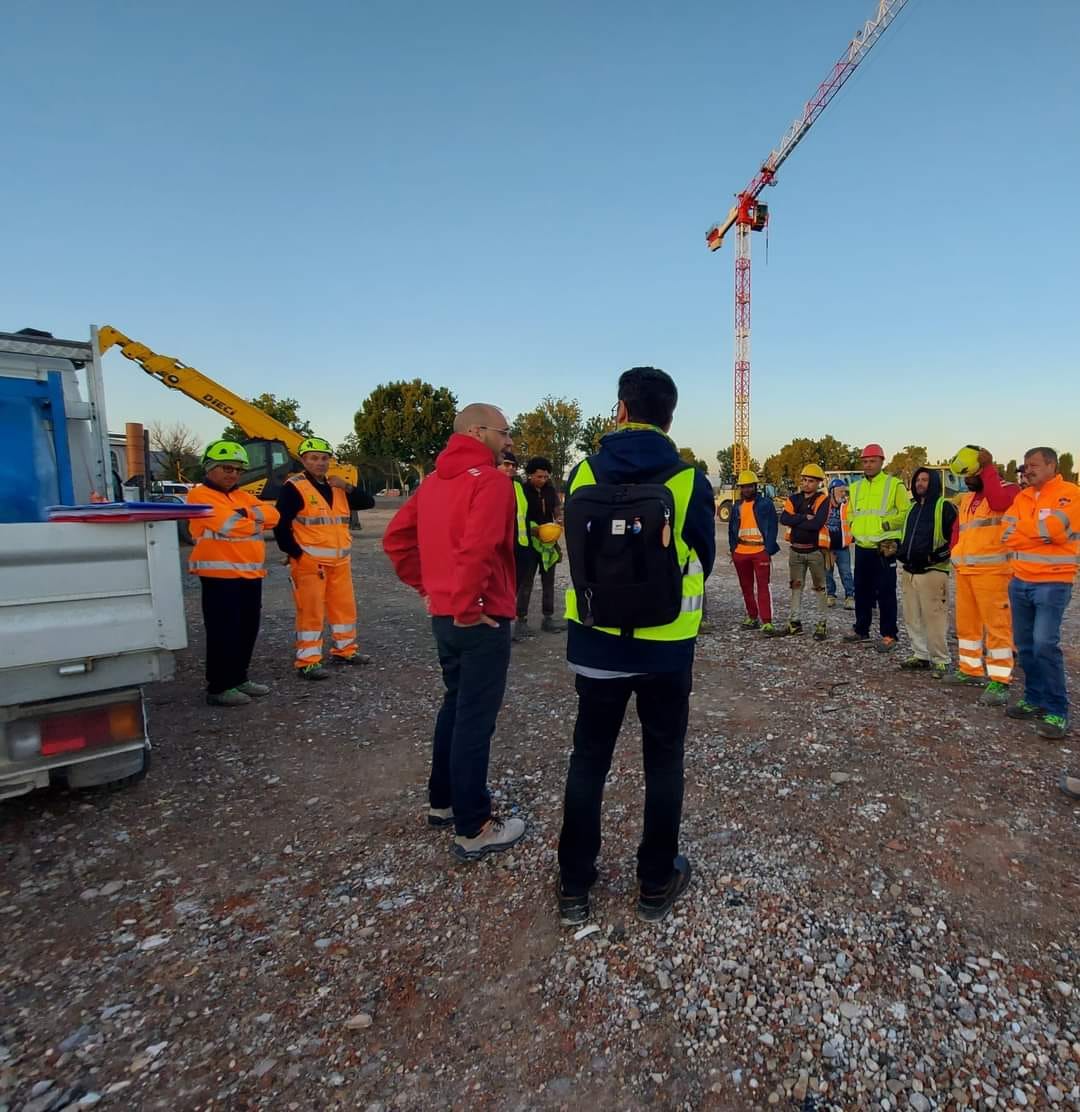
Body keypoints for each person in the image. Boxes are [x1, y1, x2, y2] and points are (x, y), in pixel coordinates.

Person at [556, 367, 715, 926]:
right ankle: (654, 882)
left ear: (620, 410)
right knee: (663, 762)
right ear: (670, 418)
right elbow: (703, 562)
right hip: (666, 648)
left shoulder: (583, 473)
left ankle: (574, 884)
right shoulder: (691, 479)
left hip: (597, 644)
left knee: (589, 761)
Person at [382, 403, 526, 860]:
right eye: (504, 433)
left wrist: (431, 589)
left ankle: (442, 802)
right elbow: (479, 546)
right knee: (474, 720)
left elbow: (397, 540)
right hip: (478, 618)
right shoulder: (492, 482)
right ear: (477, 431)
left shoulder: (431, 483)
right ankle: (474, 826)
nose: (509, 442)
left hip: (446, 615)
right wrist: (467, 605)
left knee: (454, 704)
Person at [186, 441, 280, 707]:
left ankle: (239, 678)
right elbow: (230, 526)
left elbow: (274, 515)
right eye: (227, 468)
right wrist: (253, 520)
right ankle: (218, 686)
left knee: (246, 629)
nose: (233, 474)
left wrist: (247, 514)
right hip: (219, 576)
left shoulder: (241, 496)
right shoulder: (199, 496)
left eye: (238, 470)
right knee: (222, 632)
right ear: (210, 468)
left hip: (249, 574)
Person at [274, 437, 375, 680]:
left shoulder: (336, 486)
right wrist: (296, 554)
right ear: (304, 460)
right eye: (314, 458)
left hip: (340, 561)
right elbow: (280, 525)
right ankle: (308, 661)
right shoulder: (294, 487)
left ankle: (345, 651)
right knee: (311, 612)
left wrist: (348, 486)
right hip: (310, 562)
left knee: (344, 609)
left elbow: (368, 502)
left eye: (324, 458)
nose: (320, 463)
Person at [1001, 447, 1080, 739]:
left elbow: (1058, 531)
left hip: (1053, 583)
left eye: (1033, 465)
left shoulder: (1070, 494)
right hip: (1020, 581)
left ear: (1051, 464)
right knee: (1025, 645)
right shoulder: (1022, 497)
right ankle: (1033, 698)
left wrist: (1030, 532)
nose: (1027, 470)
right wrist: (1040, 532)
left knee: (1045, 643)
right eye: (1025, 465)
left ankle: (1057, 711)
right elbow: (1006, 534)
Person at [941, 446, 1019, 705]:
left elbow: (998, 503)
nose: (966, 481)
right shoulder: (968, 498)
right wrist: (954, 552)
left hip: (994, 572)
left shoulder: (1006, 490)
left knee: (998, 627)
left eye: (969, 476)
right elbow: (958, 529)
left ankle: (1000, 680)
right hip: (966, 570)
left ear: (982, 472)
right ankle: (970, 669)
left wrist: (987, 469)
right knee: (967, 624)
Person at [844, 443, 911, 651]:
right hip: (863, 546)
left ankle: (889, 634)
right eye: (865, 461)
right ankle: (861, 629)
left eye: (872, 461)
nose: (868, 465)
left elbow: (905, 512)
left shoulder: (894, 485)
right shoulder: (855, 488)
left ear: (882, 461)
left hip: (885, 546)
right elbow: (850, 513)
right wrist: (854, 527)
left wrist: (887, 525)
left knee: (886, 592)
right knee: (862, 591)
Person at [896, 467, 958, 678]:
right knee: (912, 616)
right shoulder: (912, 509)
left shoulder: (944, 507)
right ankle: (920, 654)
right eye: (917, 480)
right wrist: (898, 551)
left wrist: (937, 557)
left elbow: (955, 540)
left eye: (924, 480)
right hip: (909, 571)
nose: (920, 484)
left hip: (933, 571)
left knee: (935, 618)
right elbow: (906, 536)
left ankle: (941, 659)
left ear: (932, 482)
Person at [512, 456, 566, 640]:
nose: (543, 480)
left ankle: (548, 618)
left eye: (546, 476)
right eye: (539, 476)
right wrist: (532, 529)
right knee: (526, 582)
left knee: (549, 581)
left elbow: (557, 510)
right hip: (528, 543)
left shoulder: (550, 491)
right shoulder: (522, 491)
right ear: (529, 476)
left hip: (548, 542)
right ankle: (521, 621)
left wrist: (558, 520)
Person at [776, 464, 830, 640]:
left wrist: (795, 520)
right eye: (804, 480)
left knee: (820, 588)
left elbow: (817, 524)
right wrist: (804, 517)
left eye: (811, 481)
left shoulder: (822, 500)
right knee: (796, 587)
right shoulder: (793, 498)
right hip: (796, 551)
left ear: (818, 483)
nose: (806, 484)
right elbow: (784, 518)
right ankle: (794, 622)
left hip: (815, 552)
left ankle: (822, 624)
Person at [727, 469, 780, 633]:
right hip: (741, 553)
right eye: (743, 487)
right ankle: (752, 617)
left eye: (749, 486)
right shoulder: (737, 507)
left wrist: (768, 550)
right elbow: (731, 530)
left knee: (763, 586)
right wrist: (733, 550)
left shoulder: (766, 504)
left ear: (755, 486)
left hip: (760, 551)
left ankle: (767, 621)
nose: (746, 490)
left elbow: (773, 527)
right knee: (746, 587)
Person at [824, 478, 854, 609]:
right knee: (827, 573)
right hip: (827, 548)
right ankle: (830, 595)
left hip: (842, 547)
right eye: (840, 491)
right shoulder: (823, 506)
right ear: (831, 492)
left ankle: (850, 596)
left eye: (844, 491)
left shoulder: (848, 506)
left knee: (846, 572)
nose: (843, 494)